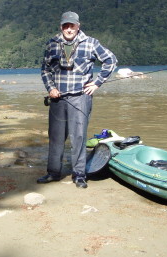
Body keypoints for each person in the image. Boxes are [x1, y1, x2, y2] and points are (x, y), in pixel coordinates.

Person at [38, 11, 117, 188]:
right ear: (61, 27)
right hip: (58, 99)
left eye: (72, 25)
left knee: (79, 137)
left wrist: (97, 83)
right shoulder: (52, 44)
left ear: (77, 26)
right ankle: (53, 172)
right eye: (65, 25)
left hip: (81, 98)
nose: (68, 29)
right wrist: (51, 88)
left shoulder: (90, 43)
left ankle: (79, 175)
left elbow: (111, 61)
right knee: (56, 137)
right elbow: (45, 70)